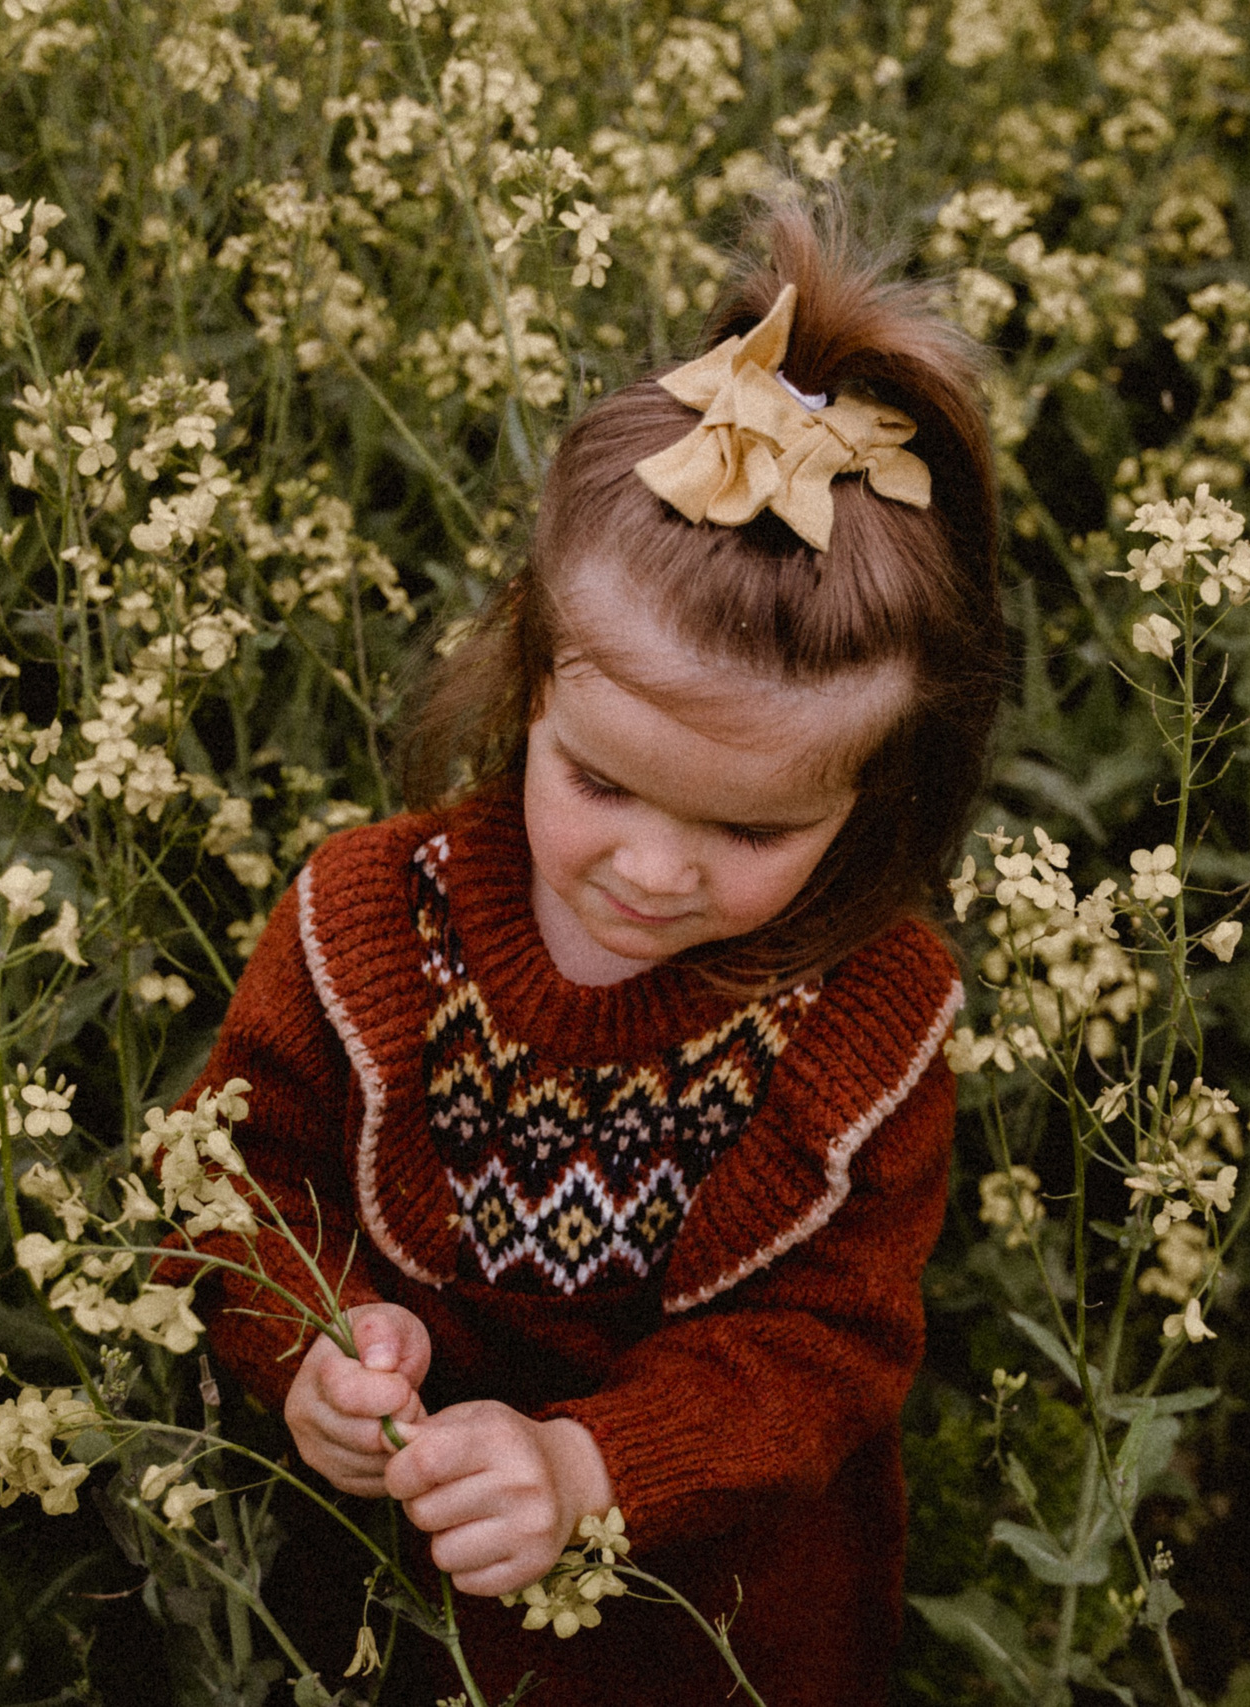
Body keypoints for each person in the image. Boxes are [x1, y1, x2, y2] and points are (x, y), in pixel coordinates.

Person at [176, 201, 1003, 1705]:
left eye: (752, 830)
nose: (652, 870)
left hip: (712, 1616)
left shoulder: (869, 1020)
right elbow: (234, 1174)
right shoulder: (369, 920)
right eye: (601, 784)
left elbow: (827, 1344)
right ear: (529, 678)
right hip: (392, 1590)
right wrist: (314, 1342)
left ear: (879, 794)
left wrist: (587, 1467)